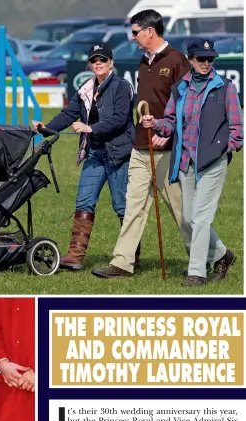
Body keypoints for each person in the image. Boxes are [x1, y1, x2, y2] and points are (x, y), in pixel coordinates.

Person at [92, 9, 192, 279]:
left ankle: (212, 256)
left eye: (135, 32)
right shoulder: (143, 62)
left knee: (180, 210)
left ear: (150, 31)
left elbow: (187, 107)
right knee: (133, 204)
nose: (132, 37)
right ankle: (123, 262)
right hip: (141, 145)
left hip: (167, 148)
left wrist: (168, 134)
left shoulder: (177, 61)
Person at [141, 39, 243, 286]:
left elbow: (237, 130)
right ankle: (222, 255)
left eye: (210, 59)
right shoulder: (180, 89)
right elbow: (170, 122)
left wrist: (221, 150)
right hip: (185, 162)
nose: (207, 63)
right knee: (186, 218)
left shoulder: (225, 88)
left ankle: (197, 272)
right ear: (190, 59)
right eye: (201, 59)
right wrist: (155, 124)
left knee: (200, 218)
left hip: (212, 163)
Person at [33, 43, 134, 270]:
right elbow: (69, 114)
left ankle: (129, 257)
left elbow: (120, 118)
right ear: (90, 64)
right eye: (94, 60)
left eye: (103, 60)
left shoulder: (122, 86)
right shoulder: (85, 89)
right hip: (94, 154)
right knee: (84, 201)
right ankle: (75, 255)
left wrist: (91, 128)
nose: (98, 63)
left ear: (111, 63)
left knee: (121, 206)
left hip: (118, 154)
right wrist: (45, 128)